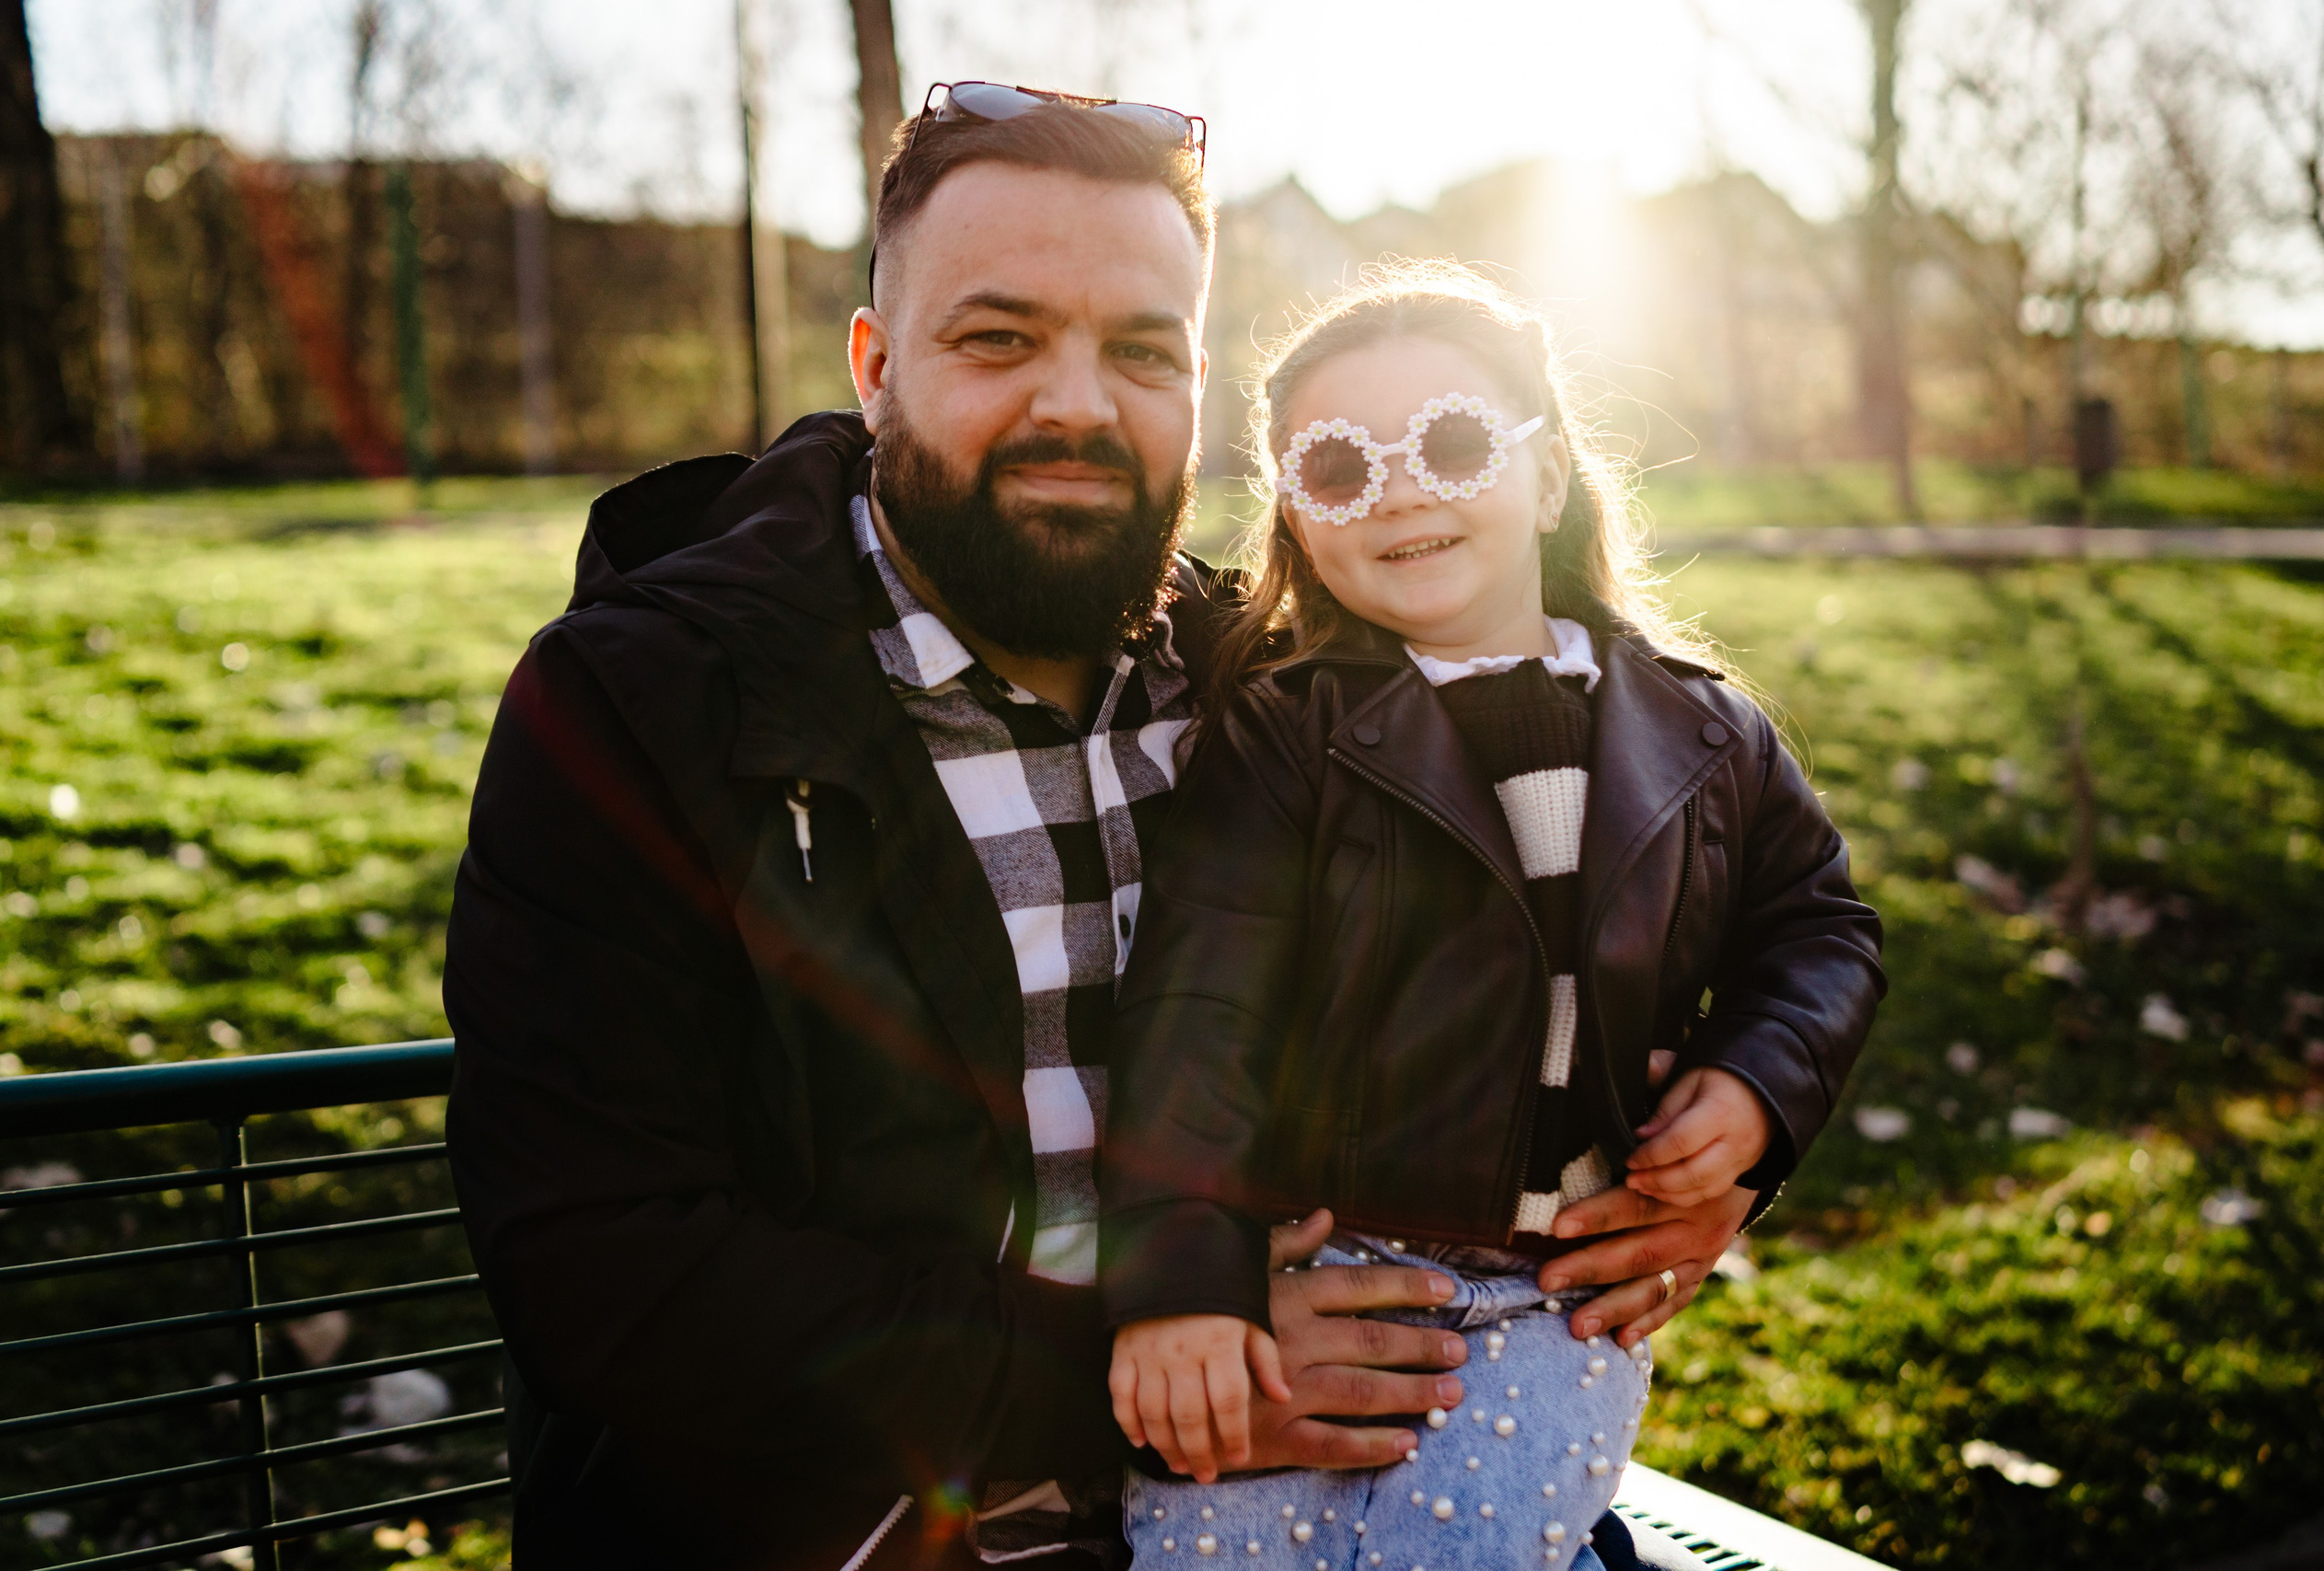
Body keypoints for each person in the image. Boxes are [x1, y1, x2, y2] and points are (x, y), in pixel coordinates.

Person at [446, 86, 1773, 1571]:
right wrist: (1144, 1379)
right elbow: (607, 1276)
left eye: (1141, 351)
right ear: (876, 368)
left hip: (1350, 1502)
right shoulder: (645, 706)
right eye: (997, 339)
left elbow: (1630, 924)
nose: (1077, 405)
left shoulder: (1286, 688)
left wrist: (1709, 1167)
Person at [1099, 262, 1886, 1569]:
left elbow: (1819, 927)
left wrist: (1760, 1088)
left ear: (1550, 476)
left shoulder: (1703, 734)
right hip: (1312, 1264)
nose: (1401, 490)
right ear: (1298, 520)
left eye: (1455, 445)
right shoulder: (1285, 737)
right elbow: (1198, 1014)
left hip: (1556, 1296)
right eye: (1341, 467)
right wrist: (1181, 1281)